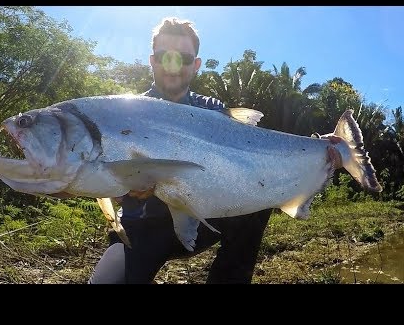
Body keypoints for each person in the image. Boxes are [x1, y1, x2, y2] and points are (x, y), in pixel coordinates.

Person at [88, 17, 272, 284]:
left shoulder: (212, 110)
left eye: (184, 59)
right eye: (164, 56)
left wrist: (319, 150)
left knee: (258, 199)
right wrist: (120, 188)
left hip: (203, 219)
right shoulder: (126, 113)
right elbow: (99, 177)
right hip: (140, 230)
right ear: (152, 60)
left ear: (196, 65)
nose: (173, 67)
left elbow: (249, 154)